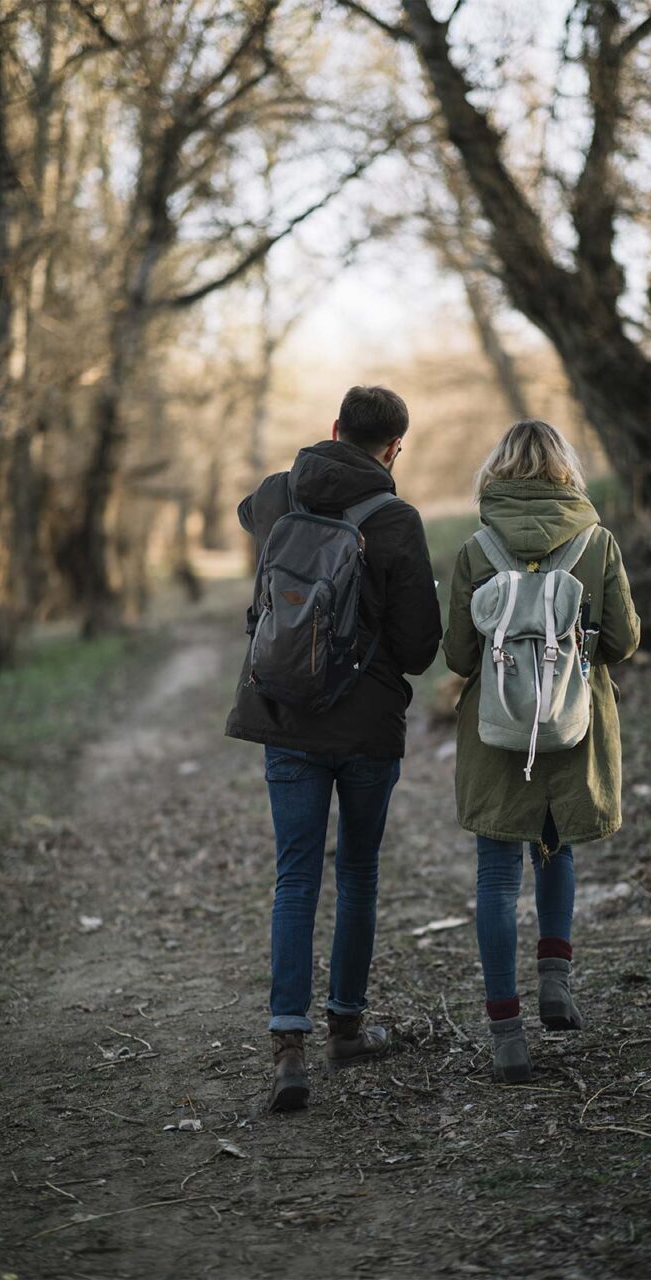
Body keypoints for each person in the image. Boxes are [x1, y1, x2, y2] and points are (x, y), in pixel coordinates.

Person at [226, 385, 442, 1111]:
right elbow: (417, 650)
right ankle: (345, 1028)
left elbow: (246, 519)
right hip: (367, 728)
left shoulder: (277, 495)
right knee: (356, 872)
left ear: (333, 429)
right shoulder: (396, 519)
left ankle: (288, 1047)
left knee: (295, 877)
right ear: (393, 449)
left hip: (284, 713)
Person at [443, 419, 640, 1082]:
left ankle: (506, 1032)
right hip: (573, 728)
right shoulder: (597, 542)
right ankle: (556, 981)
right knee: (556, 850)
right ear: (565, 471)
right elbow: (623, 642)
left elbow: (459, 655)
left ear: (498, 472)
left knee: (497, 879)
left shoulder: (477, 548)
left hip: (498, 734)